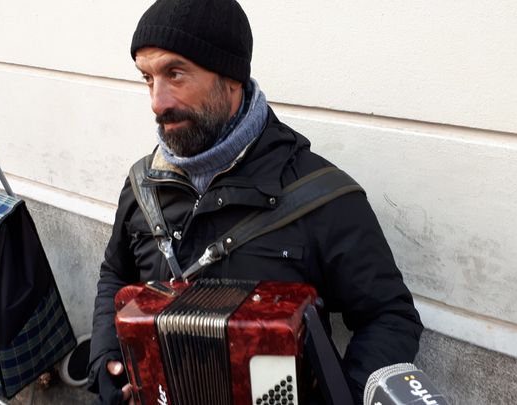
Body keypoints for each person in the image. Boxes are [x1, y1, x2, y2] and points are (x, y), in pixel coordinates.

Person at [87, 1, 423, 404]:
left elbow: (390, 317)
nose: (157, 102)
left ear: (230, 77)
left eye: (175, 74)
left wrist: (346, 395)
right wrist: (105, 354)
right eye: (147, 78)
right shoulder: (144, 185)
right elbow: (116, 272)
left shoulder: (322, 197)